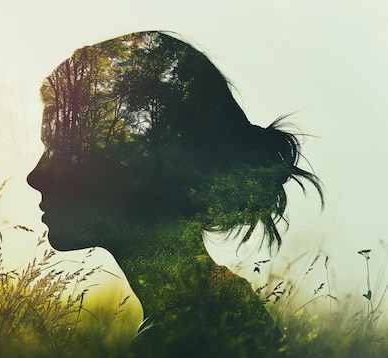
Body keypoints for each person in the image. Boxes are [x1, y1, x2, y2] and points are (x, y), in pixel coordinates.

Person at [27, 31, 323, 357]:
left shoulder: (190, 336)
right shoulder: (213, 311)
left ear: (136, 166)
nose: (36, 176)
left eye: (62, 151)